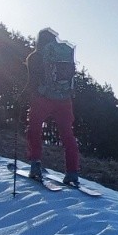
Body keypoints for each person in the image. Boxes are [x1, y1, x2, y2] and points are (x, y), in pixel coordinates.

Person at [24, 28, 81, 187]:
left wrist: (21, 97)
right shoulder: (64, 55)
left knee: (34, 130)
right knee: (68, 136)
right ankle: (72, 172)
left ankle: (35, 164)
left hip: (43, 99)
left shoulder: (34, 57)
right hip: (64, 100)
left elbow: (32, 82)